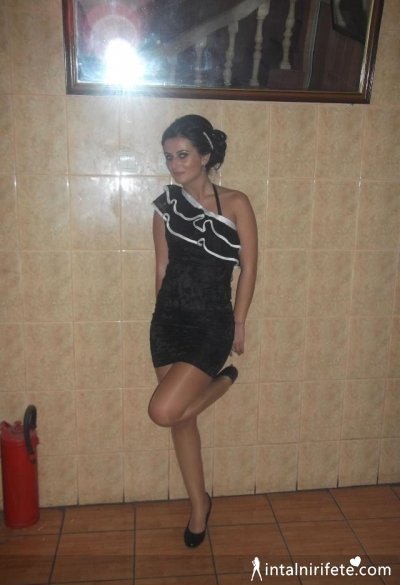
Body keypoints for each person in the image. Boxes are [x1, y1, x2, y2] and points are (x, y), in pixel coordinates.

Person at [148, 114, 258, 548]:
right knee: (181, 420)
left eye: (183, 155)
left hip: (212, 323)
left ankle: (223, 380)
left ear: (206, 156)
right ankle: (199, 505)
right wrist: (161, 315)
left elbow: (248, 268)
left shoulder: (236, 203)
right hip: (168, 322)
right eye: (168, 157)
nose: (174, 165)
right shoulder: (166, 206)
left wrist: (239, 322)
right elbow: (161, 268)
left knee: (164, 411)